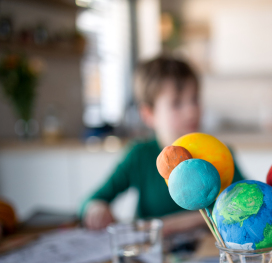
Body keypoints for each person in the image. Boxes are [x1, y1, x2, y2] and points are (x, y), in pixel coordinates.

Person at [81, 55, 243, 235]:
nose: (191, 111)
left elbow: (244, 205)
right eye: (177, 103)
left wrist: (166, 225)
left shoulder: (220, 153)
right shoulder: (140, 155)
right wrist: (96, 209)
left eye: (194, 99)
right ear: (149, 114)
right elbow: (91, 201)